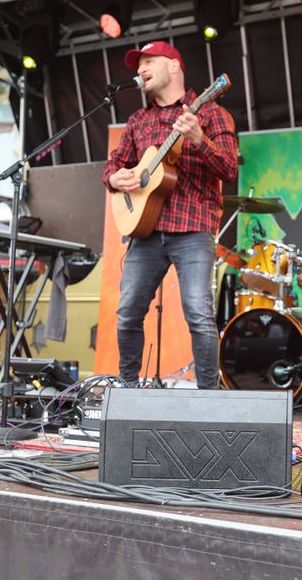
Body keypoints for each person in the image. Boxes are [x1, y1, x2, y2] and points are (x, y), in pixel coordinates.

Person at [102, 41, 239, 389]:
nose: (141, 70)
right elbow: (115, 165)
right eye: (139, 65)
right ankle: (128, 390)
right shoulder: (138, 120)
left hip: (193, 228)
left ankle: (208, 397)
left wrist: (198, 138)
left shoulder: (210, 113)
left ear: (174, 66)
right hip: (145, 230)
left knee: (198, 313)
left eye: (149, 61)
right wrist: (114, 179)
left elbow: (228, 168)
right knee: (128, 312)